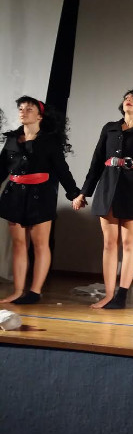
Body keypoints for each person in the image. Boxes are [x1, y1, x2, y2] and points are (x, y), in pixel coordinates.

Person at [73, 90, 133, 309]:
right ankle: (109, 294)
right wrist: (84, 192)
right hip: (107, 185)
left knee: (130, 244)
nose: (128, 100)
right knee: (110, 243)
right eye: (126, 97)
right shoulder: (109, 127)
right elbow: (96, 162)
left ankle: (122, 295)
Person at [0, 96, 81, 304]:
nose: (23, 111)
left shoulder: (49, 141)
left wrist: (74, 193)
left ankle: (35, 292)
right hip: (14, 195)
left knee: (40, 244)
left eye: (29, 109)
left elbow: (62, 170)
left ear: (39, 115)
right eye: (21, 108)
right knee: (19, 244)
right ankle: (18, 290)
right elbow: (1, 169)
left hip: (40, 195)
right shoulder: (12, 139)